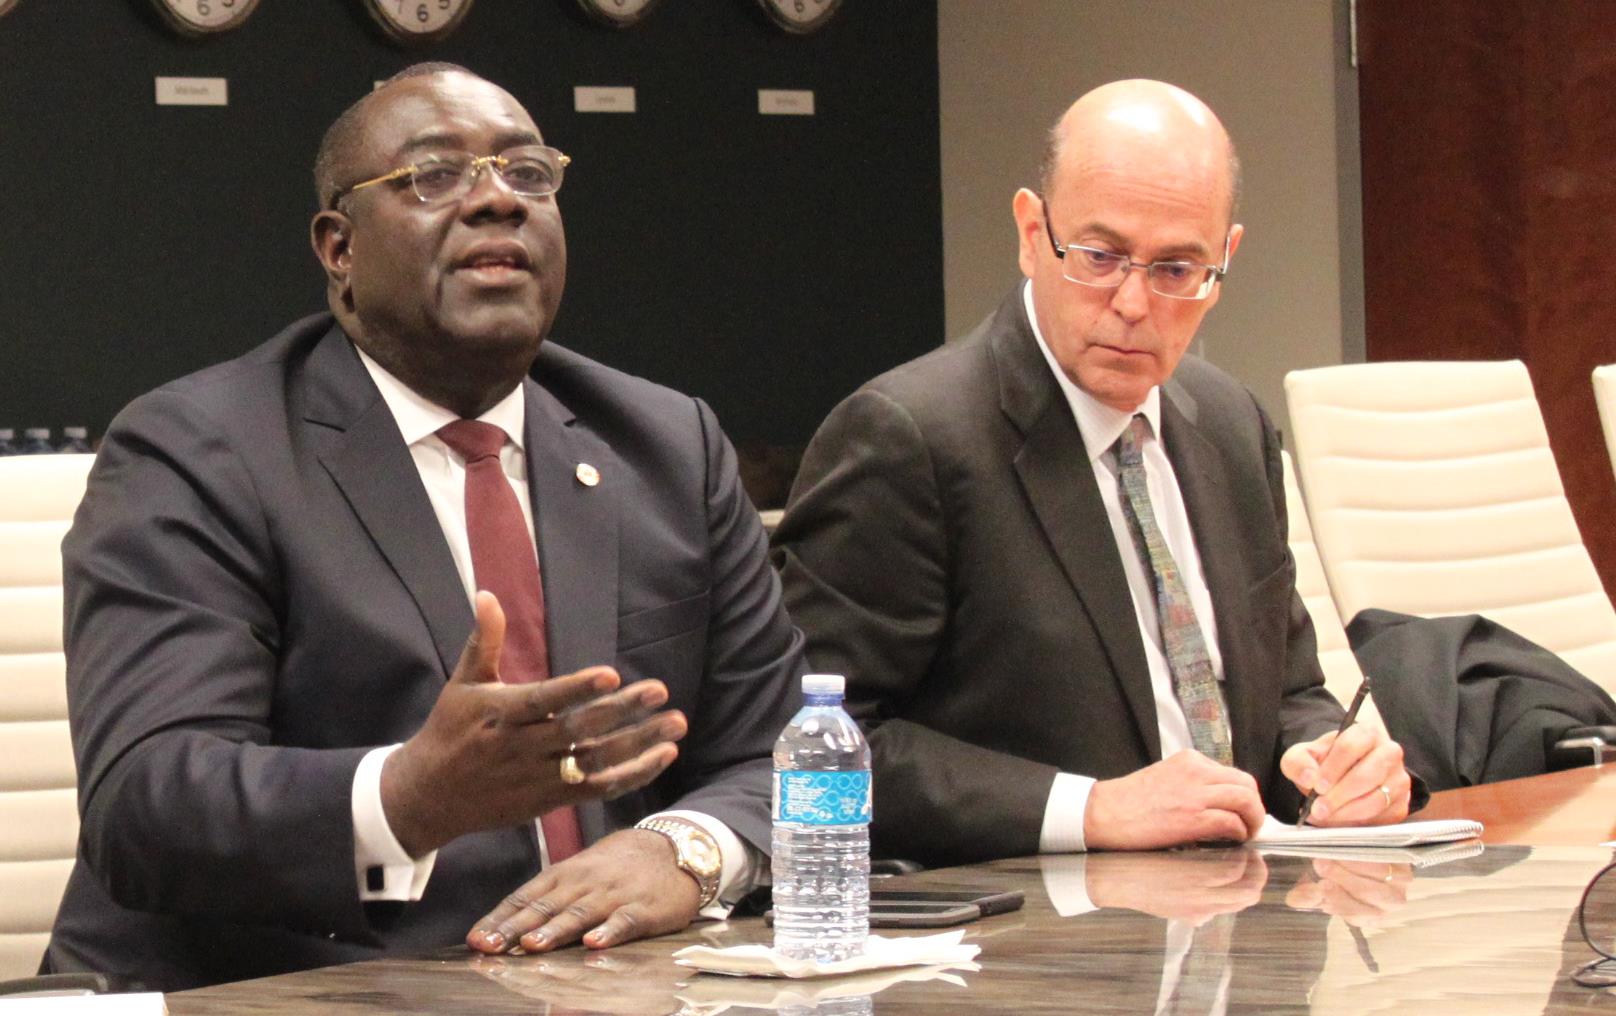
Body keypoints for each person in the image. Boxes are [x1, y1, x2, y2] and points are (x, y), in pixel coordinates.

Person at [43, 63, 803, 991]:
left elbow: (792, 752)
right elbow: (147, 804)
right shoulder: (200, 452)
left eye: (528, 174)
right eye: (435, 178)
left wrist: (683, 850)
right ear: (340, 248)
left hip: (614, 986)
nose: (498, 204)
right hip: (291, 993)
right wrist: (407, 798)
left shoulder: (666, 443)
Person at [772, 79, 1420, 868]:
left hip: (1248, 917)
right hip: (1036, 940)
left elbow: (1287, 694)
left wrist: (1329, 762)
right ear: (1029, 231)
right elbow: (812, 744)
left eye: (1177, 268)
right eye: (1100, 256)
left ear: (1226, 260)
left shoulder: (1229, 423)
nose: (1133, 303)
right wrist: (1092, 808)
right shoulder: (910, 438)